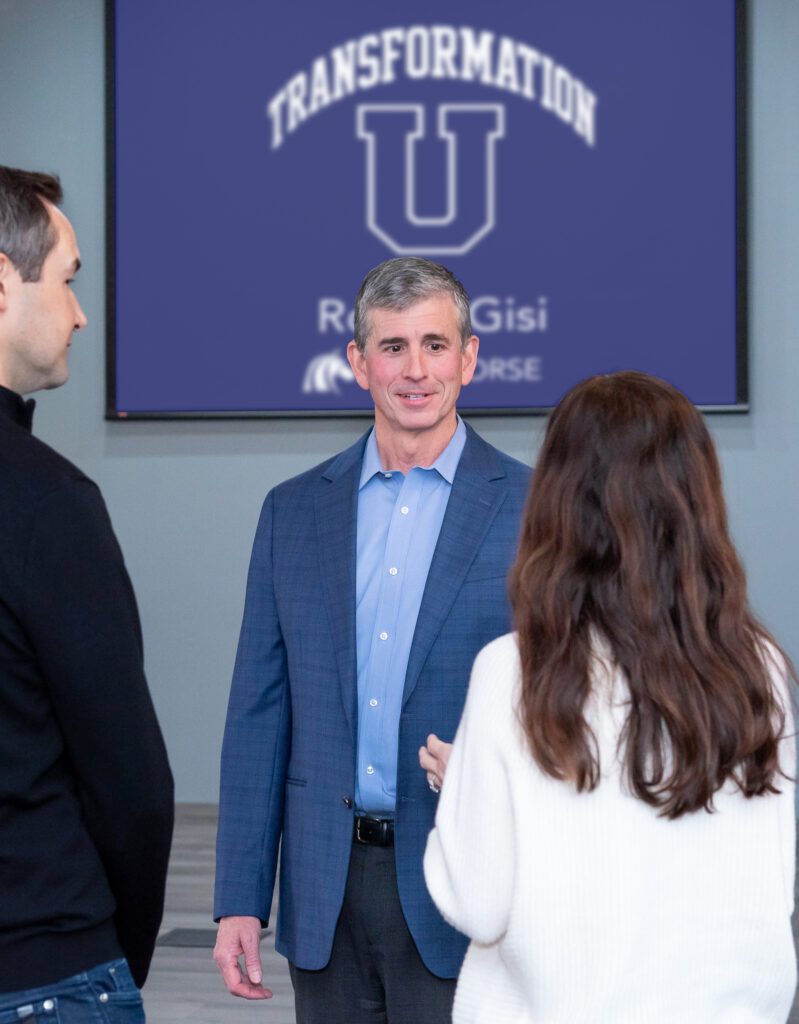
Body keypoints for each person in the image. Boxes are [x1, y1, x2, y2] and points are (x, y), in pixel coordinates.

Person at [424, 371, 799, 1024]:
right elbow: (771, 891)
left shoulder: (513, 672)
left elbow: (476, 901)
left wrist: (466, 790)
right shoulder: (757, 665)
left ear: (557, 501)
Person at [213, 256, 531, 1022]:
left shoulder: (536, 509)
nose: (415, 370)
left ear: (471, 356)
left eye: (435, 344)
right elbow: (258, 716)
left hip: (468, 886)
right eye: (392, 347)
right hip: (326, 891)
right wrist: (238, 900)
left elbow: (566, 702)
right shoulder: (291, 513)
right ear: (358, 363)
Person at [0, 166, 174, 1020]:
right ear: (2, 283)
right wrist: (105, 952)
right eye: (67, 280)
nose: (78, 313)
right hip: (45, 968)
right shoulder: (46, 503)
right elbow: (131, 786)